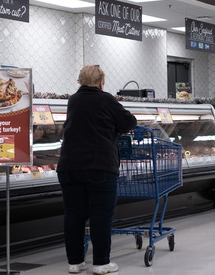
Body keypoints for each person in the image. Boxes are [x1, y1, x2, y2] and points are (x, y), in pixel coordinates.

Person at [57, 65, 137, 274]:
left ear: (79, 81)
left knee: (73, 215)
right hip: (99, 166)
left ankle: (74, 262)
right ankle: (101, 263)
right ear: (101, 82)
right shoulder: (106, 98)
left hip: (69, 166)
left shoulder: (73, 100)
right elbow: (128, 122)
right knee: (100, 215)